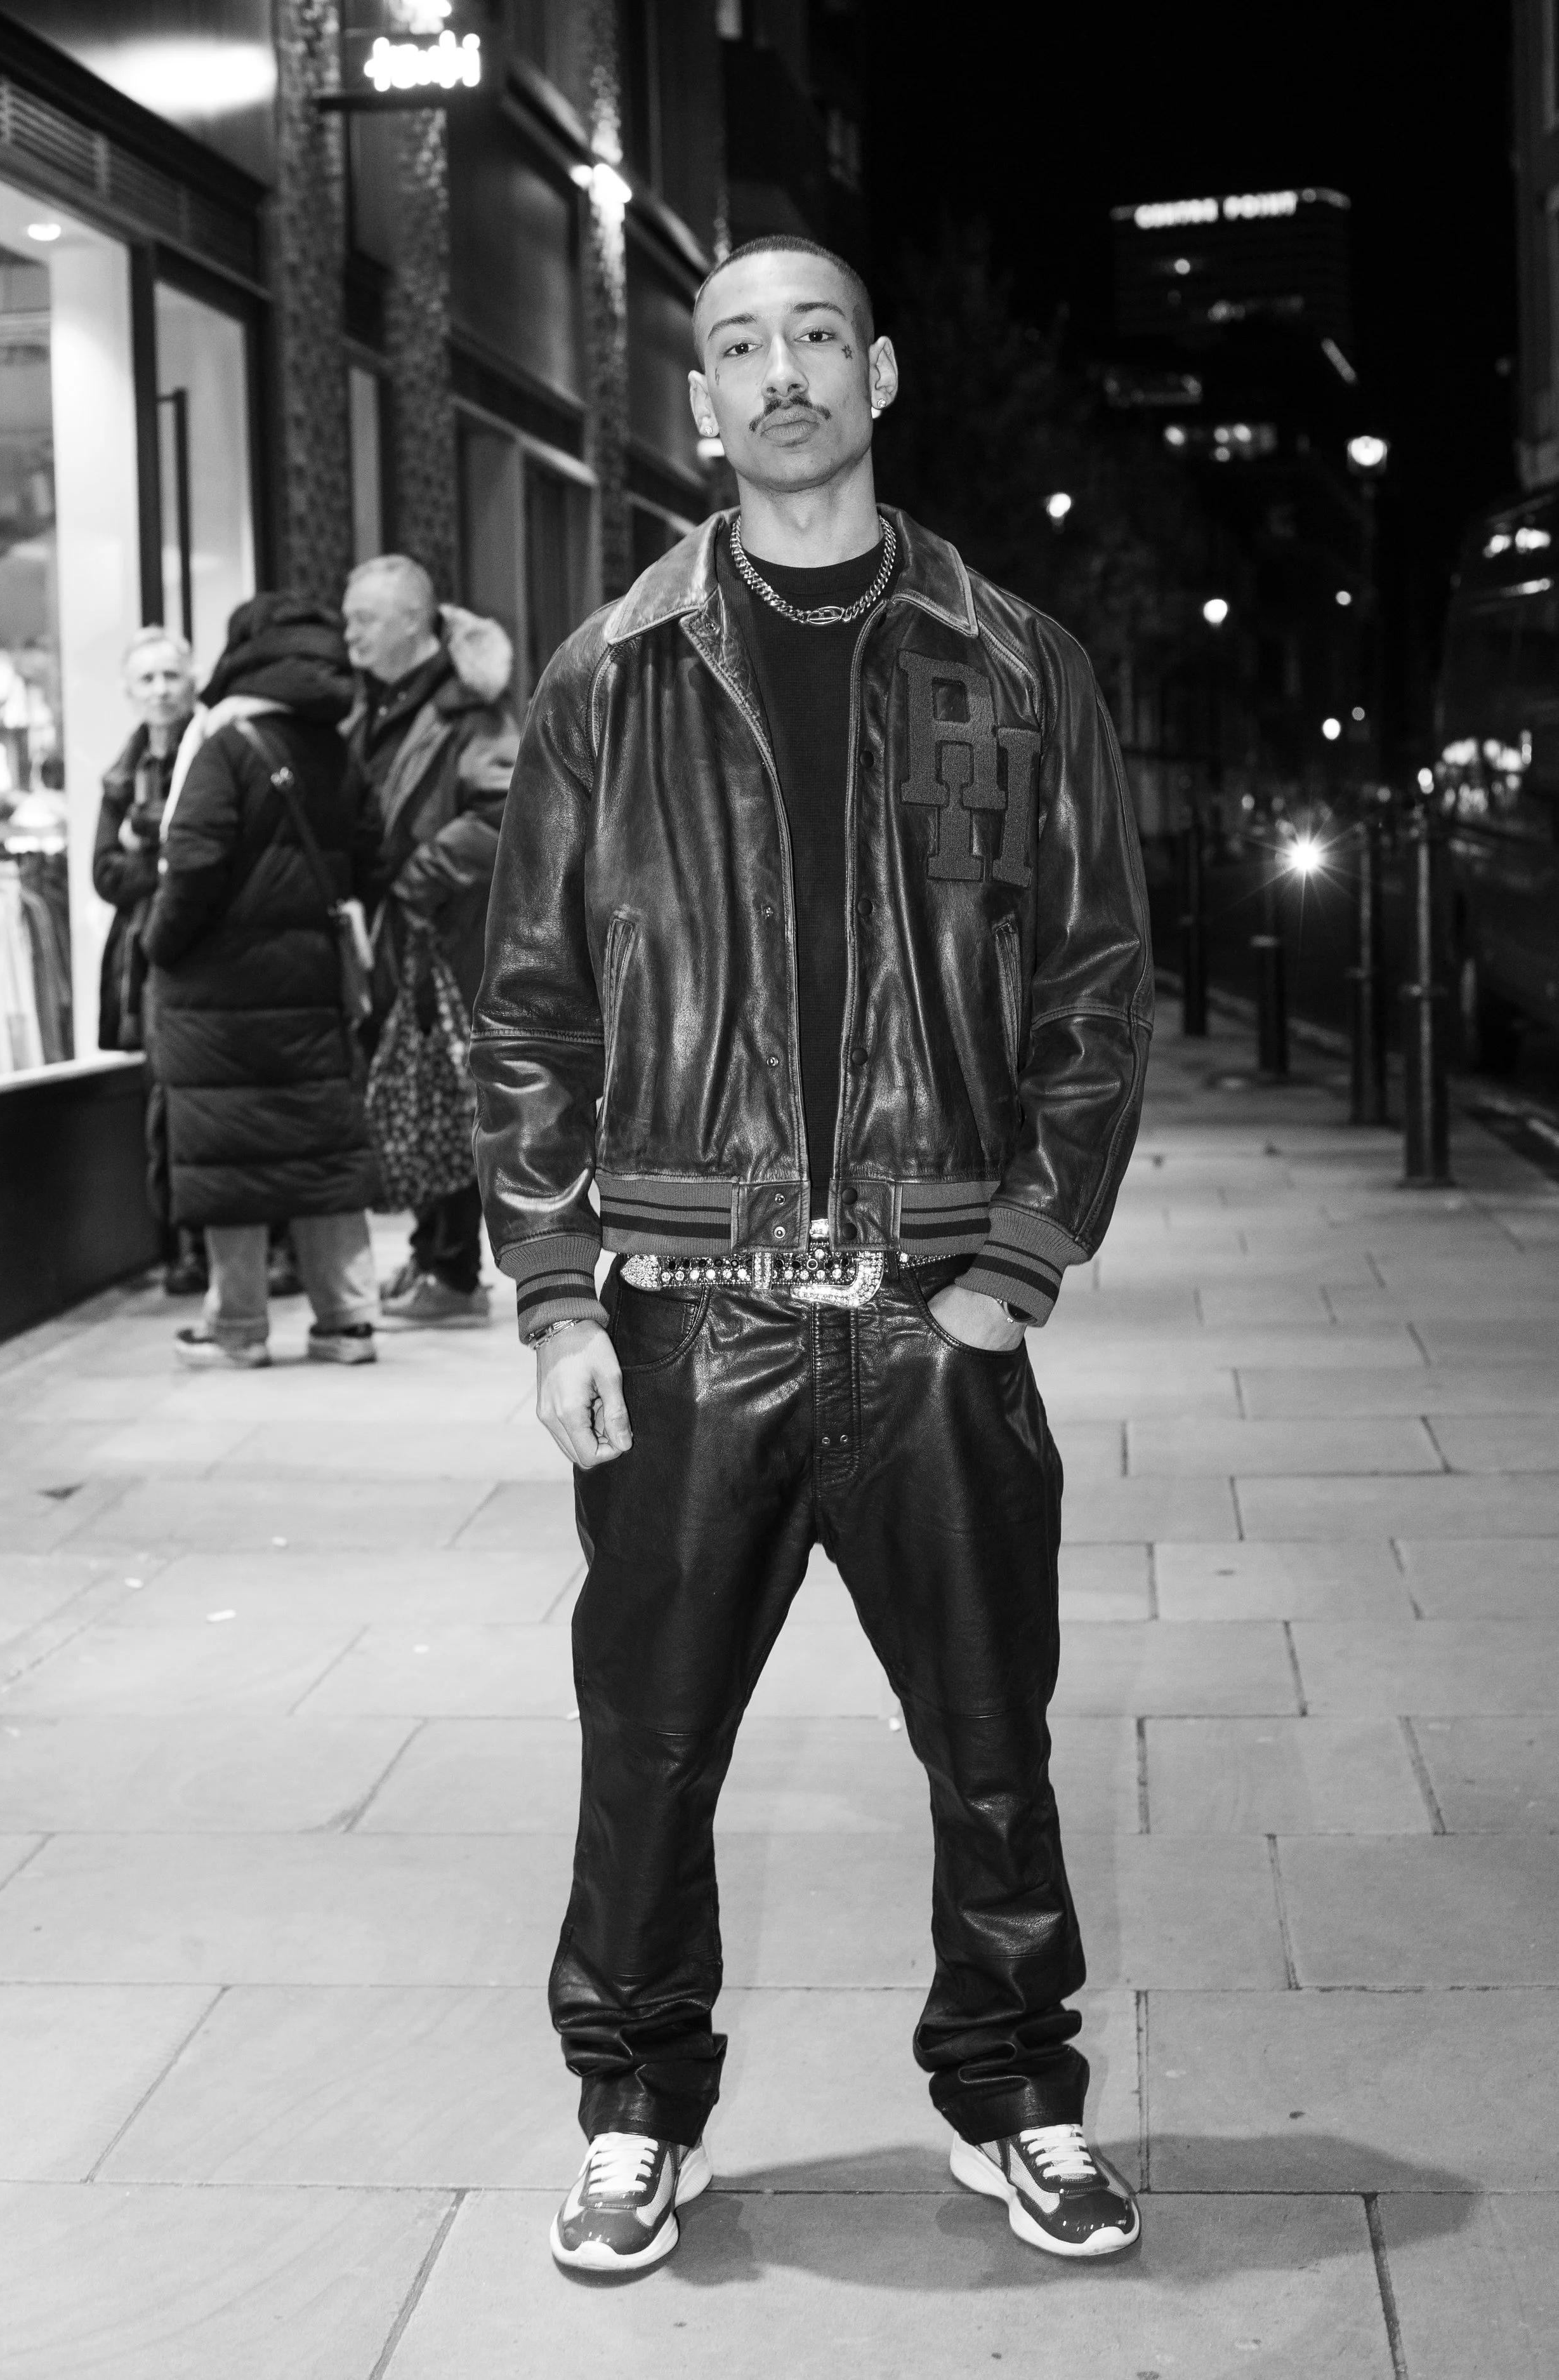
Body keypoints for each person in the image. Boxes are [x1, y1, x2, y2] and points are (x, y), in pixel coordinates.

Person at [473, 235, 1154, 2276]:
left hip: (933, 1312)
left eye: (816, 339)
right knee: (650, 1744)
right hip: (694, 1318)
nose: (780, 375)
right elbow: (525, 1006)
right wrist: (555, 1285)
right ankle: (632, 2105)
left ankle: (1015, 2095)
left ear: (878, 375)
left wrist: (1015, 1260)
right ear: (697, 406)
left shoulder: (1008, 658)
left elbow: (1095, 983)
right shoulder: (612, 672)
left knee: (988, 1740)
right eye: (739, 346)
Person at [143, 593, 385, 1370]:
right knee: (320, 1146)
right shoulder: (333, 747)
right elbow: (375, 855)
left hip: (219, 992)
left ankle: (238, 1328)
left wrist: (160, 943)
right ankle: (347, 1322)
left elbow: (194, 862)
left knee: (228, 1153)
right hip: (310, 980)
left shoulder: (227, 741)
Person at [342, 556, 518, 1329]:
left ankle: (454, 1270)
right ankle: (431, 1251)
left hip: (443, 936)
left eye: (365, 619)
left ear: (413, 620)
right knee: (418, 1090)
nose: (350, 634)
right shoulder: (377, 705)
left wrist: (417, 876)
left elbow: (501, 810)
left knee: (446, 1093)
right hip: (400, 936)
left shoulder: (466, 708)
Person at [93, 627, 206, 1294]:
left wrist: (156, 853)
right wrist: (155, 858)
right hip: (144, 963)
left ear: (191, 679)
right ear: (128, 691)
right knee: (164, 1104)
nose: (161, 690)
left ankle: (243, 1246)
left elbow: (203, 860)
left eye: (171, 676)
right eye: (147, 679)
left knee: (206, 1100)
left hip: (202, 954)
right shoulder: (119, 770)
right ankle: (182, 1244)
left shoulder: (211, 749)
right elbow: (106, 874)